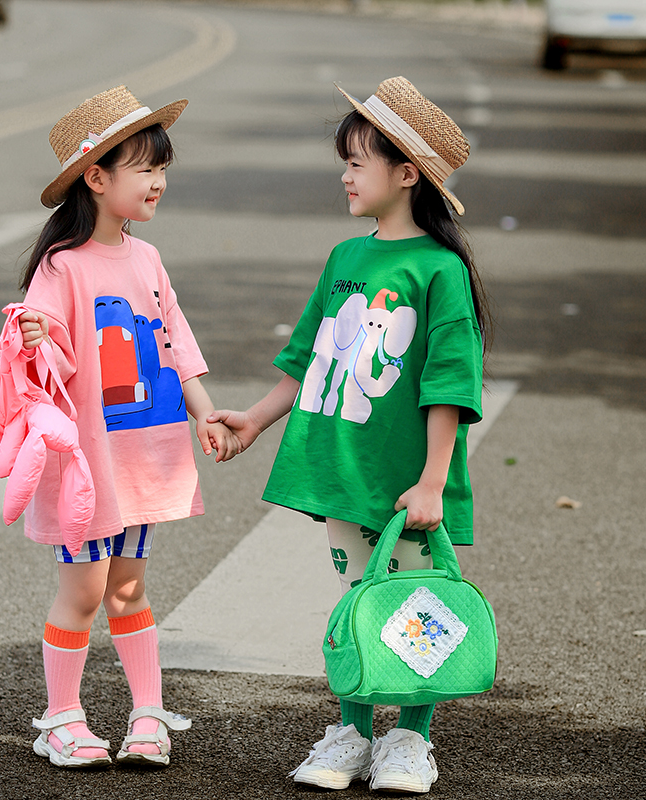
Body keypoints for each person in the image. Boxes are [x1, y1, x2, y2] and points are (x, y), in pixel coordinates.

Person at [209, 76, 491, 793]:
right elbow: (309, 359)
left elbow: (450, 385)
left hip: (407, 481)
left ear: (406, 174)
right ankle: (353, 733)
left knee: (417, 605)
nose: (346, 174)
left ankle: (410, 739)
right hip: (343, 466)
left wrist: (431, 480)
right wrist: (256, 417)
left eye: (359, 161)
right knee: (358, 603)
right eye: (346, 160)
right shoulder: (345, 258)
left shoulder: (439, 269)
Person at [16, 86, 238, 770]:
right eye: (145, 168)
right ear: (97, 177)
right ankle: (61, 718)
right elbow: (43, 359)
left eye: (161, 168)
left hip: (144, 454)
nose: (159, 182)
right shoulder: (63, 267)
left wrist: (206, 413)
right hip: (87, 465)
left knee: (129, 586)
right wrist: (34, 337)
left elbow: (175, 342)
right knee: (83, 589)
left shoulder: (147, 260)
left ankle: (147, 713)